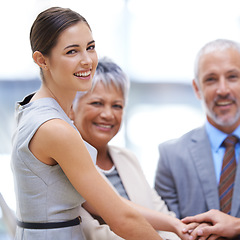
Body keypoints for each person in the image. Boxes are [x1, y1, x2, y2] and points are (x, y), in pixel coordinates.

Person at [10, 6, 165, 240]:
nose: (87, 61)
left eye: (90, 48)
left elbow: (99, 203)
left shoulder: (31, 108)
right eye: (72, 52)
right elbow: (121, 218)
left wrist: (175, 225)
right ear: (41, 60)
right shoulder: (55, 128)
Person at [70, 57, 189, 240]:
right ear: (71, 107)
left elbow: (164, 217)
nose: (108, 114)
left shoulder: (127, 158)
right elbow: (91, 233)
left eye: (117, 106)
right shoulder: (66, 162)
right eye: (97, 103)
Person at [154, 39, 240, 220]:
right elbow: (169, 232)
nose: (223, 90)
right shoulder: (171, 157)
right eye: (211, 79)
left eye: (232, 77)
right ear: (197, 88)